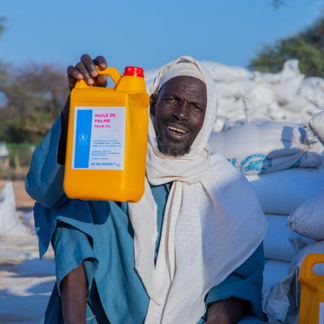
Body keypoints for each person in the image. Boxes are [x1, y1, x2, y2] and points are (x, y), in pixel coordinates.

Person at [26, 54, 268, 324]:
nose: (181, 114)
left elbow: (236, 281)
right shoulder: (117, 157)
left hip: (192, 316)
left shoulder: (225, 187)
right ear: (152, 104)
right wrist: (79, 106)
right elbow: (44, 191)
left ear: (207, 118)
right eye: (172, 100)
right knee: (74, 199)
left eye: (196, 107)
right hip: (115, 304)